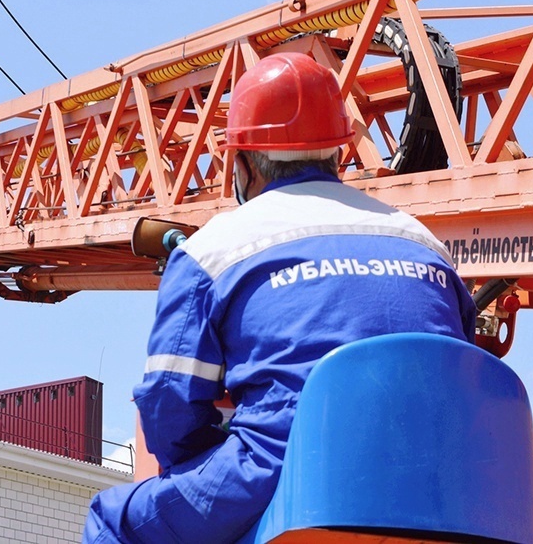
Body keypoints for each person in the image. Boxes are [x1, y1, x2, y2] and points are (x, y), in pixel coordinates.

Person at [83, 52, 477, 544]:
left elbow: (168, 409)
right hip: (452, 482)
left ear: (242, 162)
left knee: (112, 519)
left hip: (295, 473)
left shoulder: (212, 250)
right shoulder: (425, 243)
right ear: (339, 150)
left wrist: (209, 458)